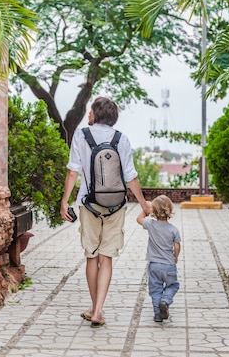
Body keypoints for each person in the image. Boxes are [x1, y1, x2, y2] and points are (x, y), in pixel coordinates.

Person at [60, 96, 151, 328]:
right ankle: (98, 309)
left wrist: (64, 201)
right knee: (106, 257)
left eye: (90, 110)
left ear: (95, 113)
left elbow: (73, 172)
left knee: (91, 256)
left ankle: (93, 308)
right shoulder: (122, 139)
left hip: (88, 204)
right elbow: (130, 176)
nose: (88, 114)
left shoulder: (81, 135)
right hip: (116, 205)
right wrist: (142, 203)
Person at [136, 194, 181, 323]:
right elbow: (177, 246)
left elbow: (138, 219)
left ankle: (157, 314)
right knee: (173, 285)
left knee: (155, 290)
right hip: (169, 265)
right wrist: (175, 256)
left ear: (154, 211)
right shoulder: (174, 230)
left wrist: (146, 209)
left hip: (154, 265)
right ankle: (165, 301)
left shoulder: (150, 224)